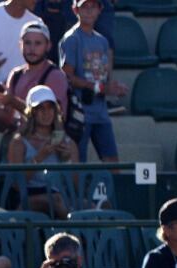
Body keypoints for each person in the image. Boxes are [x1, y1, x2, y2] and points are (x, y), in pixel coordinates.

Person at [0, 20, 67, 136]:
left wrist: (13, 101)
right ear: (20, 45)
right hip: (19, 140)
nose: (32, 48)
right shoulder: (15, 74)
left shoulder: (55, 76)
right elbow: (8, 120)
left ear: (48, 46)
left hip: (47, 144)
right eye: (27, 43)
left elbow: (53, 119)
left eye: (38, 43)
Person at [60, 0, 126, 163]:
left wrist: (112, 88)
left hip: (100, 111)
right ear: (75, 10)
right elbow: (67, 77)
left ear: (100, 10)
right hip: (79, 112)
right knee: (78, 163)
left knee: (111, 160)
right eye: (84, 7)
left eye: (93, 7)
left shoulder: (102, 41)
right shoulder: (71, 39)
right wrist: (98, 87)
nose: (89, 11)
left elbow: (102, 75)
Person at [5, 86, 76, 216]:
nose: (46, 112)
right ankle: (72, 231)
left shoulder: (68, 143)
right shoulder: (19, 143)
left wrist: (67, 160)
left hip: (61, 195)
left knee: (99, 205)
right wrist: (39, 157)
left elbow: (76, 184)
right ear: (32, 112)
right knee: (55, 201)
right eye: (40, 108)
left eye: (50, 107)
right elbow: (16, 184)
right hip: (29, 196)